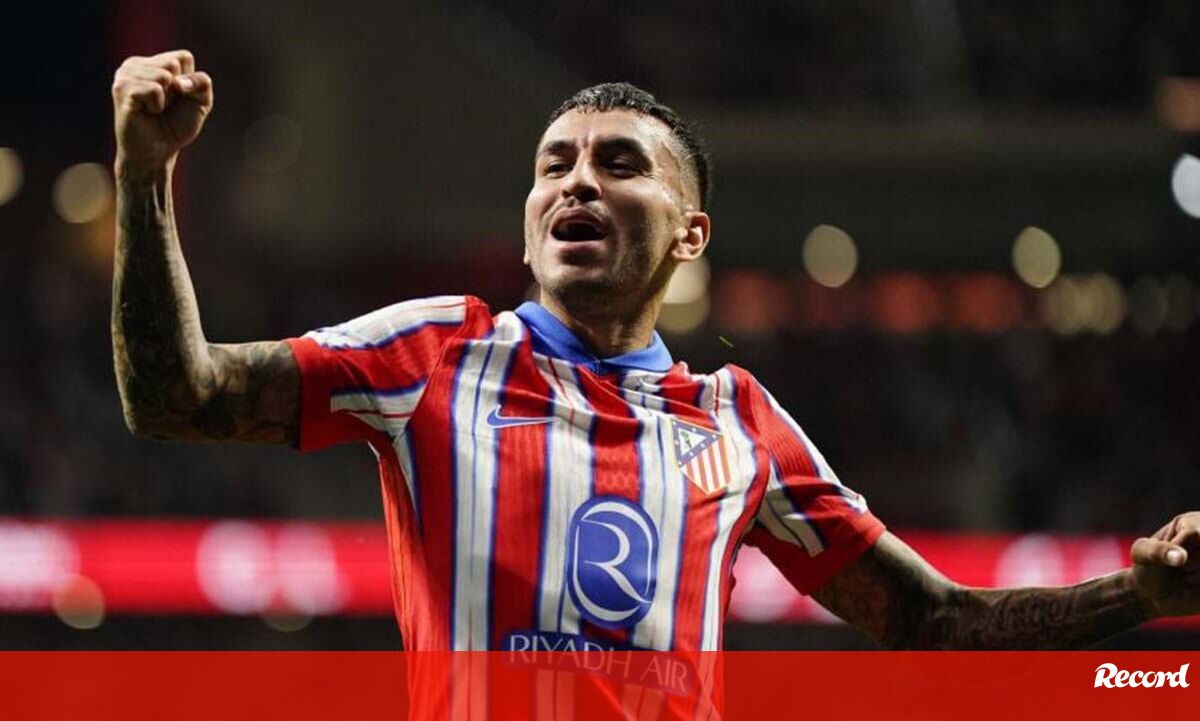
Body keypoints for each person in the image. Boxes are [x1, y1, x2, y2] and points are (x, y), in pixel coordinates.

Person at [111, 49, 1200, 715]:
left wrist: (1140, 599)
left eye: (619, 163)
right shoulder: (435, 352)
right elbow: (177, 397)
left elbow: (934, 619)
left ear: (691, 233)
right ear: (530, 223)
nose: (577, 181)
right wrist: (147, 178)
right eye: (555, 164)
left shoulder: (739, 423)